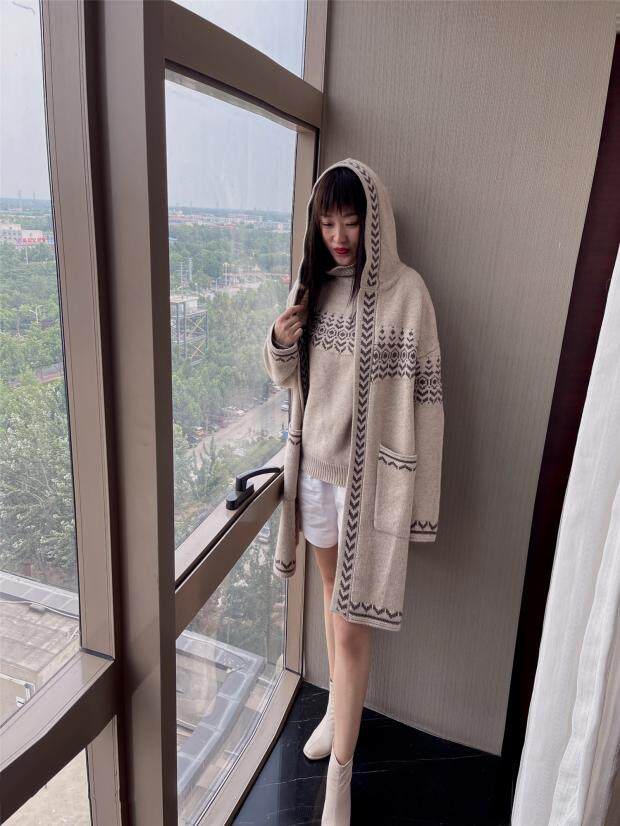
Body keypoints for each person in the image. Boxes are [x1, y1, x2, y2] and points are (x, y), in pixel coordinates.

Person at [263, 158, 444, 826]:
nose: (339, 236)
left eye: (351, 220)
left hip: (369, 491)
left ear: (375, 219)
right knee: (329, 605)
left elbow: (429, 404)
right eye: (327, 222)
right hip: (314, 477)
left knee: (351, 629)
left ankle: (341, 772)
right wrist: (279, 342)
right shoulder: (312, 286)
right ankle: (337, 716)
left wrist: (422, 509)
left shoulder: (408, 294)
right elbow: (288, 379)